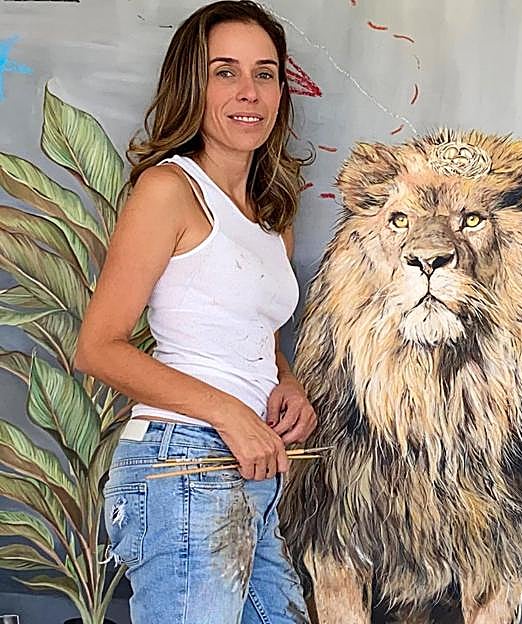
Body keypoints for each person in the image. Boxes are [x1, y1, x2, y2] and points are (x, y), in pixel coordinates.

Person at [74, 2, 316, 622]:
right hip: (181, 460)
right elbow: (98, 347)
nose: (249, 92)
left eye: (265, 73)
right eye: (225, 72)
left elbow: (254, 336)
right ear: (192, 85)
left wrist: (287, 384)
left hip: (254, 464)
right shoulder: (169, 190)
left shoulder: (271, 214)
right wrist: (230, 414)